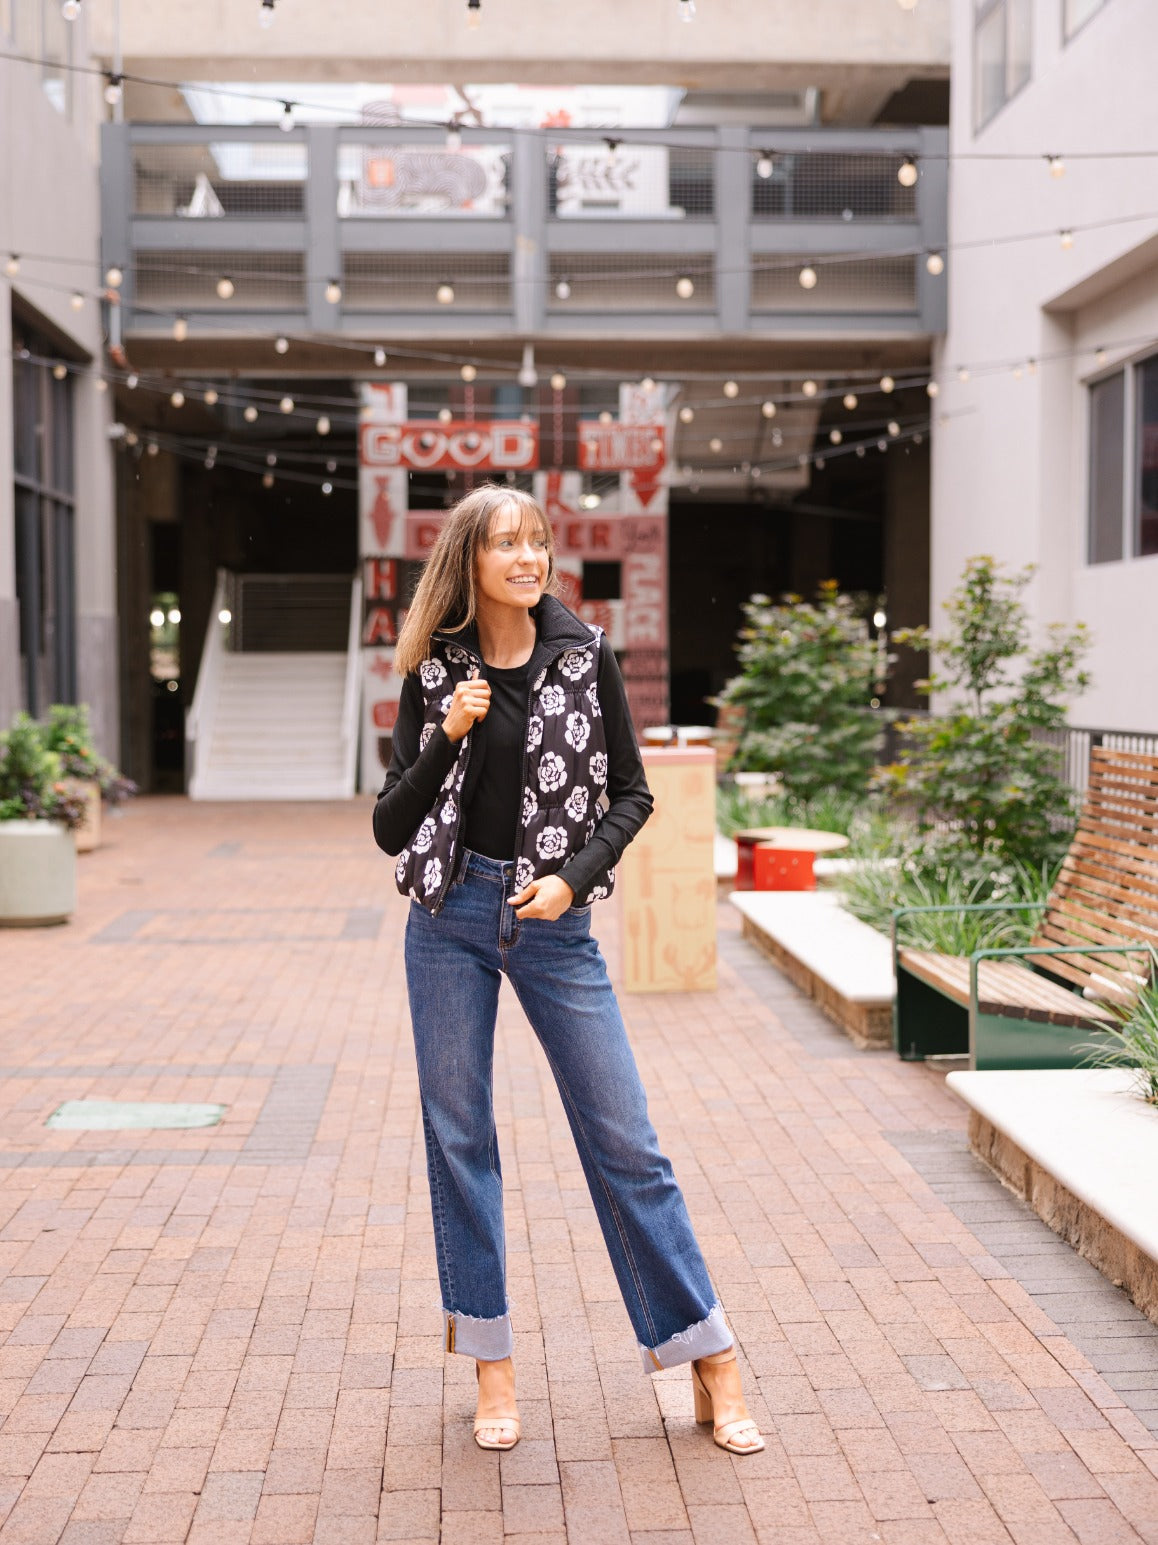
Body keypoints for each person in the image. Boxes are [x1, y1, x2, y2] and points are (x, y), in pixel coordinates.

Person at [373, 483, 762, 1456]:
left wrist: (572, 881)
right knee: (459, 1138)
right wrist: (446, 734)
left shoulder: (583, 658)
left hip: (554, 923)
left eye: (536, 542)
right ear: (471, 560)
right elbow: (390, 822)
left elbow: (631, 796)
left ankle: (707, 1351)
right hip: (449, 915)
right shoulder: (435, 671)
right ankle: (492, 1365)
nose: (528, 558)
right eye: (506, 543)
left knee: (627, 1139)